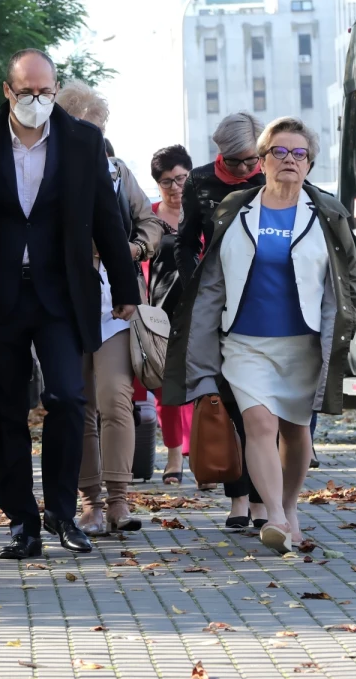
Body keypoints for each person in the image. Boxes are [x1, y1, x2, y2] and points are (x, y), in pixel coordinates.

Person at [0, 48, 139, 560]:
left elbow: (106, 220)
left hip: (61, 294)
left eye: (45, 91)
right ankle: (22, 521)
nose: (36, 100)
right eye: (26, 91)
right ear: (8, 91)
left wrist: (125, 289)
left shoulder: (81, 140)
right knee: (6, 409)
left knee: (69, 399)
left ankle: (63, 513)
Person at [167, 116, 356, 553]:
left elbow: (345, 278)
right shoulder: (236, 209)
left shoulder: (327, 213)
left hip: (303, 342)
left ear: (309, 163)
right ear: (262, 159)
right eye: (279, 152)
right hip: (244, 340)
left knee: (295, 431)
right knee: (258, 423)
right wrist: (200, 337)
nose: (289, 160)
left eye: (298, 153)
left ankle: (290, 508)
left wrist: (342, 332)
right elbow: (212, 278)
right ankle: (272, 514)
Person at [55, 80, 163, 536]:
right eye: (90, 129)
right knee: (78, 407)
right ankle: (90, 504)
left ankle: (119, 501)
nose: (96, 139)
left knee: (116, 399)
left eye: (100, 130)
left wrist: (132, 250)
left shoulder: (117, 171)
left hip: (114, 306)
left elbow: (151, 222)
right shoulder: (46, 172)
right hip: (63, 304)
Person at [173, 112, 268, 524]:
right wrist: (195, 276)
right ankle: (238, 498)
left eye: (252, 160)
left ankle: (264, 499)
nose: (247, 169)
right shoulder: (199, 181)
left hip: (264, 297)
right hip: (216, 298)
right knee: (225, 399)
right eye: (236, 162)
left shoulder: (272, 176)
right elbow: (186, 238)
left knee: (259, 401)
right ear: (220, 155)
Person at [147, 145, 194, 485]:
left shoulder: (206, 213)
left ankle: (205, 454)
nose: (176, 188)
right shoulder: (148, 218)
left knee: (203, 386)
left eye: (181, 179)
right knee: (166, 391)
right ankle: (174, 454)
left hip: (202, 312)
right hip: (159, 315)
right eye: (167, 182)